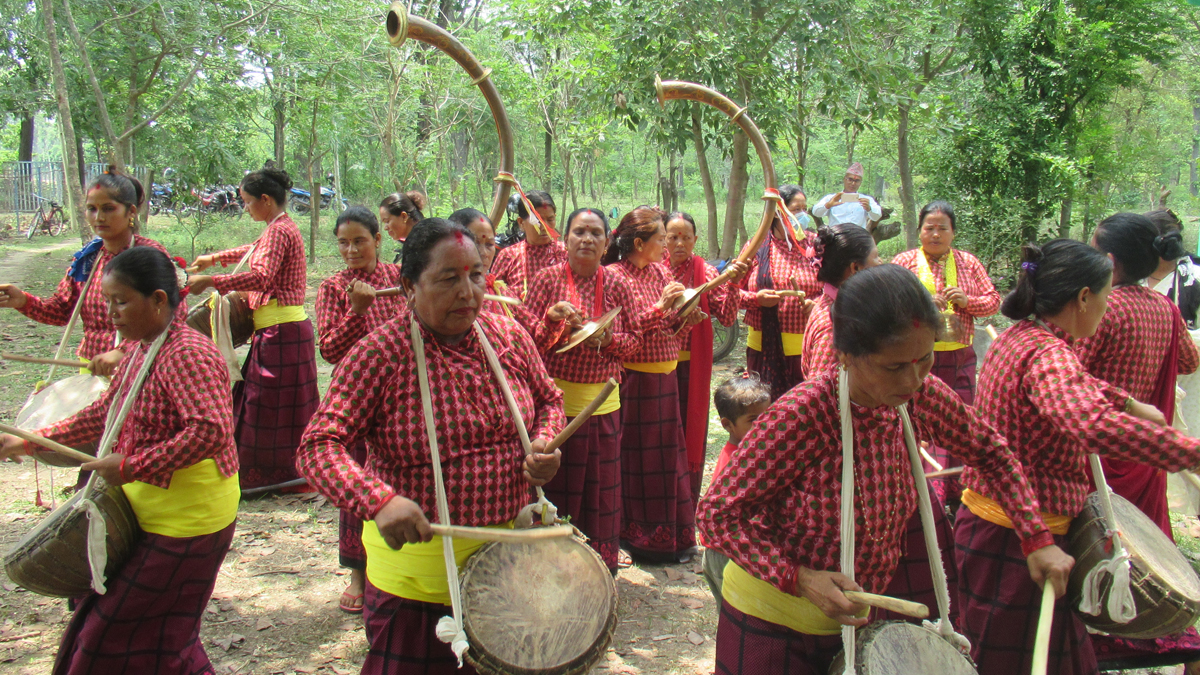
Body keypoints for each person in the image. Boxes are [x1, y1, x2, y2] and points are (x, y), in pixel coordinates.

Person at [698, 264, 1063, 675]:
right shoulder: (803, 415)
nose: (913, 379)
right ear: (845, 355)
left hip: (854, 623)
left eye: (923, 359)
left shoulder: (920, 396)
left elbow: (992, 452)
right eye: (894, 367)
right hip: (773, 623)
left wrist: (1037, 537)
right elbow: (716, 516)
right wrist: (798, 578)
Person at [296, 218, 564, 675]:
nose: (468, 292)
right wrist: (378, 500)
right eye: (448, 279)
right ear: (408, 287)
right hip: (419, 585)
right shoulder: (380, 355)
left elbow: (549, 400)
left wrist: (542, 442)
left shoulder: (508, 336)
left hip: (507, 569)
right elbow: (317, 446)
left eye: (476, 275)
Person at [958, 239, 1200, 675]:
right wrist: (1188, 453)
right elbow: (1089, 422)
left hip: (1004, 529)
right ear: (1084, 297)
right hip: (1015, 539)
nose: (1108, 307)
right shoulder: (1048, 353)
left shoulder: (1023, 337)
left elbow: (1073, 387)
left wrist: (1126, 402)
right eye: (1106, 297)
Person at [1, 247, 239, 674]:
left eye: (122, 301)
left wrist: (130, 466)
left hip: (190, 517)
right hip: (148, 508)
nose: (112, 313)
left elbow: (212, 432)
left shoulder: (187, 354)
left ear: (160, 300)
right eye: (108, 301)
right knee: (153, 632)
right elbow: (105, 413)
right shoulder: (141, 347)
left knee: (118, 634)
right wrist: (29, 442)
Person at [1074, 213, 1200, 671]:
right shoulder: (1163, 308)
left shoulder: (1102, 308)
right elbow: (1189, 360)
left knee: (1098, 551)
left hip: (1099, 452)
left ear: (1107, 260)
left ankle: (1095, 644)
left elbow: (1072, 377)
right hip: (1147, 453)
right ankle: (1180, 644)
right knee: (1151, 552)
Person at [186, 167, 318, 491]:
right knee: (272, 406)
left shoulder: (279, 231)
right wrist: (213, 258)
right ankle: (285, 474)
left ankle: (272, 478)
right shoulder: (277, 227)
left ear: (265, 199)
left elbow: (261, 276)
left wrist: (212, 280)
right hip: (281, 332)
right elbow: (251, 250)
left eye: (247, 202)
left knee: (264, 406)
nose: (245, 208)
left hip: (282, 332)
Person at [525, 207, 639, 572]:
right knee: (556, 486)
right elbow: (527, 341)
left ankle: (598, 571)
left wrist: (605, 340)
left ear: (607, 243)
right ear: (565, 239)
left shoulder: (620, 283)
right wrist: (551, 321)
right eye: (579, 232)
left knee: (600, 491)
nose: (587, 239)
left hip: (601, 405)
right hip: (552, 408)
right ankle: (551, 567)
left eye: (595, 233)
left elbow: (634, 341)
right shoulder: (546, 280)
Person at [0, 167, 184, 376]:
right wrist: (23, 301)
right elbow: (61, 312)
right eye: (92, 209)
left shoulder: (150, 256)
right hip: (91, 367)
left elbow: (175, 314)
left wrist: (122, 352)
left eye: (108, 209)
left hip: (140, 366)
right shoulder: (87, 259)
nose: (98, 217)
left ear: (131, 212)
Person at [314, 206, 406, 614]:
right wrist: (357, 312)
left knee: (395, 478)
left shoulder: (397, 279)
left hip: (400, 396)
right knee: (356, 486)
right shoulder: (334, 288)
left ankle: (398, 565)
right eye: (344, 243)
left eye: (360, 241)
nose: (351, 250)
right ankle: (357, 573)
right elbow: (331, 349)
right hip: (354, 401)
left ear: (377, 240)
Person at [603, 205, 697, 563]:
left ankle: (674, 534)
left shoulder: (659, 271)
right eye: (661, 239)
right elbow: (627, 331)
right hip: (635, 379)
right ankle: (638, 536)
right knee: (638, 458)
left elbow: (669, 325)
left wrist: (685, 311)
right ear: (640, 243)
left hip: (666, 376)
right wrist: (661, 306)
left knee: (668, 455)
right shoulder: (614, 276)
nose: (666, 245)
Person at [663, 211, 748, 503]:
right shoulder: (652, 271)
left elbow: (725, 316)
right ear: (662, 239)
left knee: (689, 430)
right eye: (672, 237)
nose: (679, 243)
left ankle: (685, 500)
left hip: (690, 366)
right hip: (656, 366)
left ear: (695, 240)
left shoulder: (706, 272)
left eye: (686, 237)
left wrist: (734, 283)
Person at [892, 201, 999, 405]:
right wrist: (921, 304)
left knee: (961, 411)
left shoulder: (968, 263)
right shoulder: (903, 263)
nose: (935, 235)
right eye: (929, 228)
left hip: (961, 355)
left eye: (942, 229)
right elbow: (887, 303)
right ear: (919, 231)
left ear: (953, 233)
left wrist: (968, 302)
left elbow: (993, 302)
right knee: (921, 414)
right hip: (916, 356)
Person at [700, 372, 771, 606]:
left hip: (731, 550)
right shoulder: (737, 462)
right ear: (727, 425)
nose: (764, 424)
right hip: (726, 554)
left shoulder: (752, 452)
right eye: (753, 420)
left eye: (767, 416)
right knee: (737, 615)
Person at [738, 207, 821, 400]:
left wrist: (817, 304)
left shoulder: (816, 246)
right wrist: (756, 299)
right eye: (794, 209)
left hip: (806, 348)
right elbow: (731, 292)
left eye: (803, 208)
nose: (801, 214)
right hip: (761, 348)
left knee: (803, 407)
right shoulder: (756, 246)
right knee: (763, 406)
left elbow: (833, 288)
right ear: (777, 212)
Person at [800, 223, 881, 379]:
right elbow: (819, 392)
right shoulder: (833, 325)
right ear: (855, 267)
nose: (880, 262)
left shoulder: (837, 306)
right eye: (876, 256)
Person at [448, 207, 529, 322]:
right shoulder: (446, 295)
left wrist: (552, 318)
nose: (484, 253)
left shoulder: (499, 291)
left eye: (489, 244)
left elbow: (535, 330)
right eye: (474, 243)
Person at [489, 190, 567, 301]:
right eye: (537, 221)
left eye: (550, 219)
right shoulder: (508, 256)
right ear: (521, 223)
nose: (544, 226)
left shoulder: (566, 253)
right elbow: (494, 298)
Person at [811, 162, 882, 230]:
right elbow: (816, 212)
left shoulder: (866, 199)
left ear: (860, 183)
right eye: (850, 179)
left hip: (858, 237)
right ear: (844, 180)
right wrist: (828, 205)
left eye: (857, 181)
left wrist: (869, 208)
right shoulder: (832, 198)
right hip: (836, 237)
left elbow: (877, 216)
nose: (853, 183)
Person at [379, 191, 427, 264]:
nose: (385, 228)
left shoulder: (426, 245)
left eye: (387, 221)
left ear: (404, 216)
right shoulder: (413, 243)